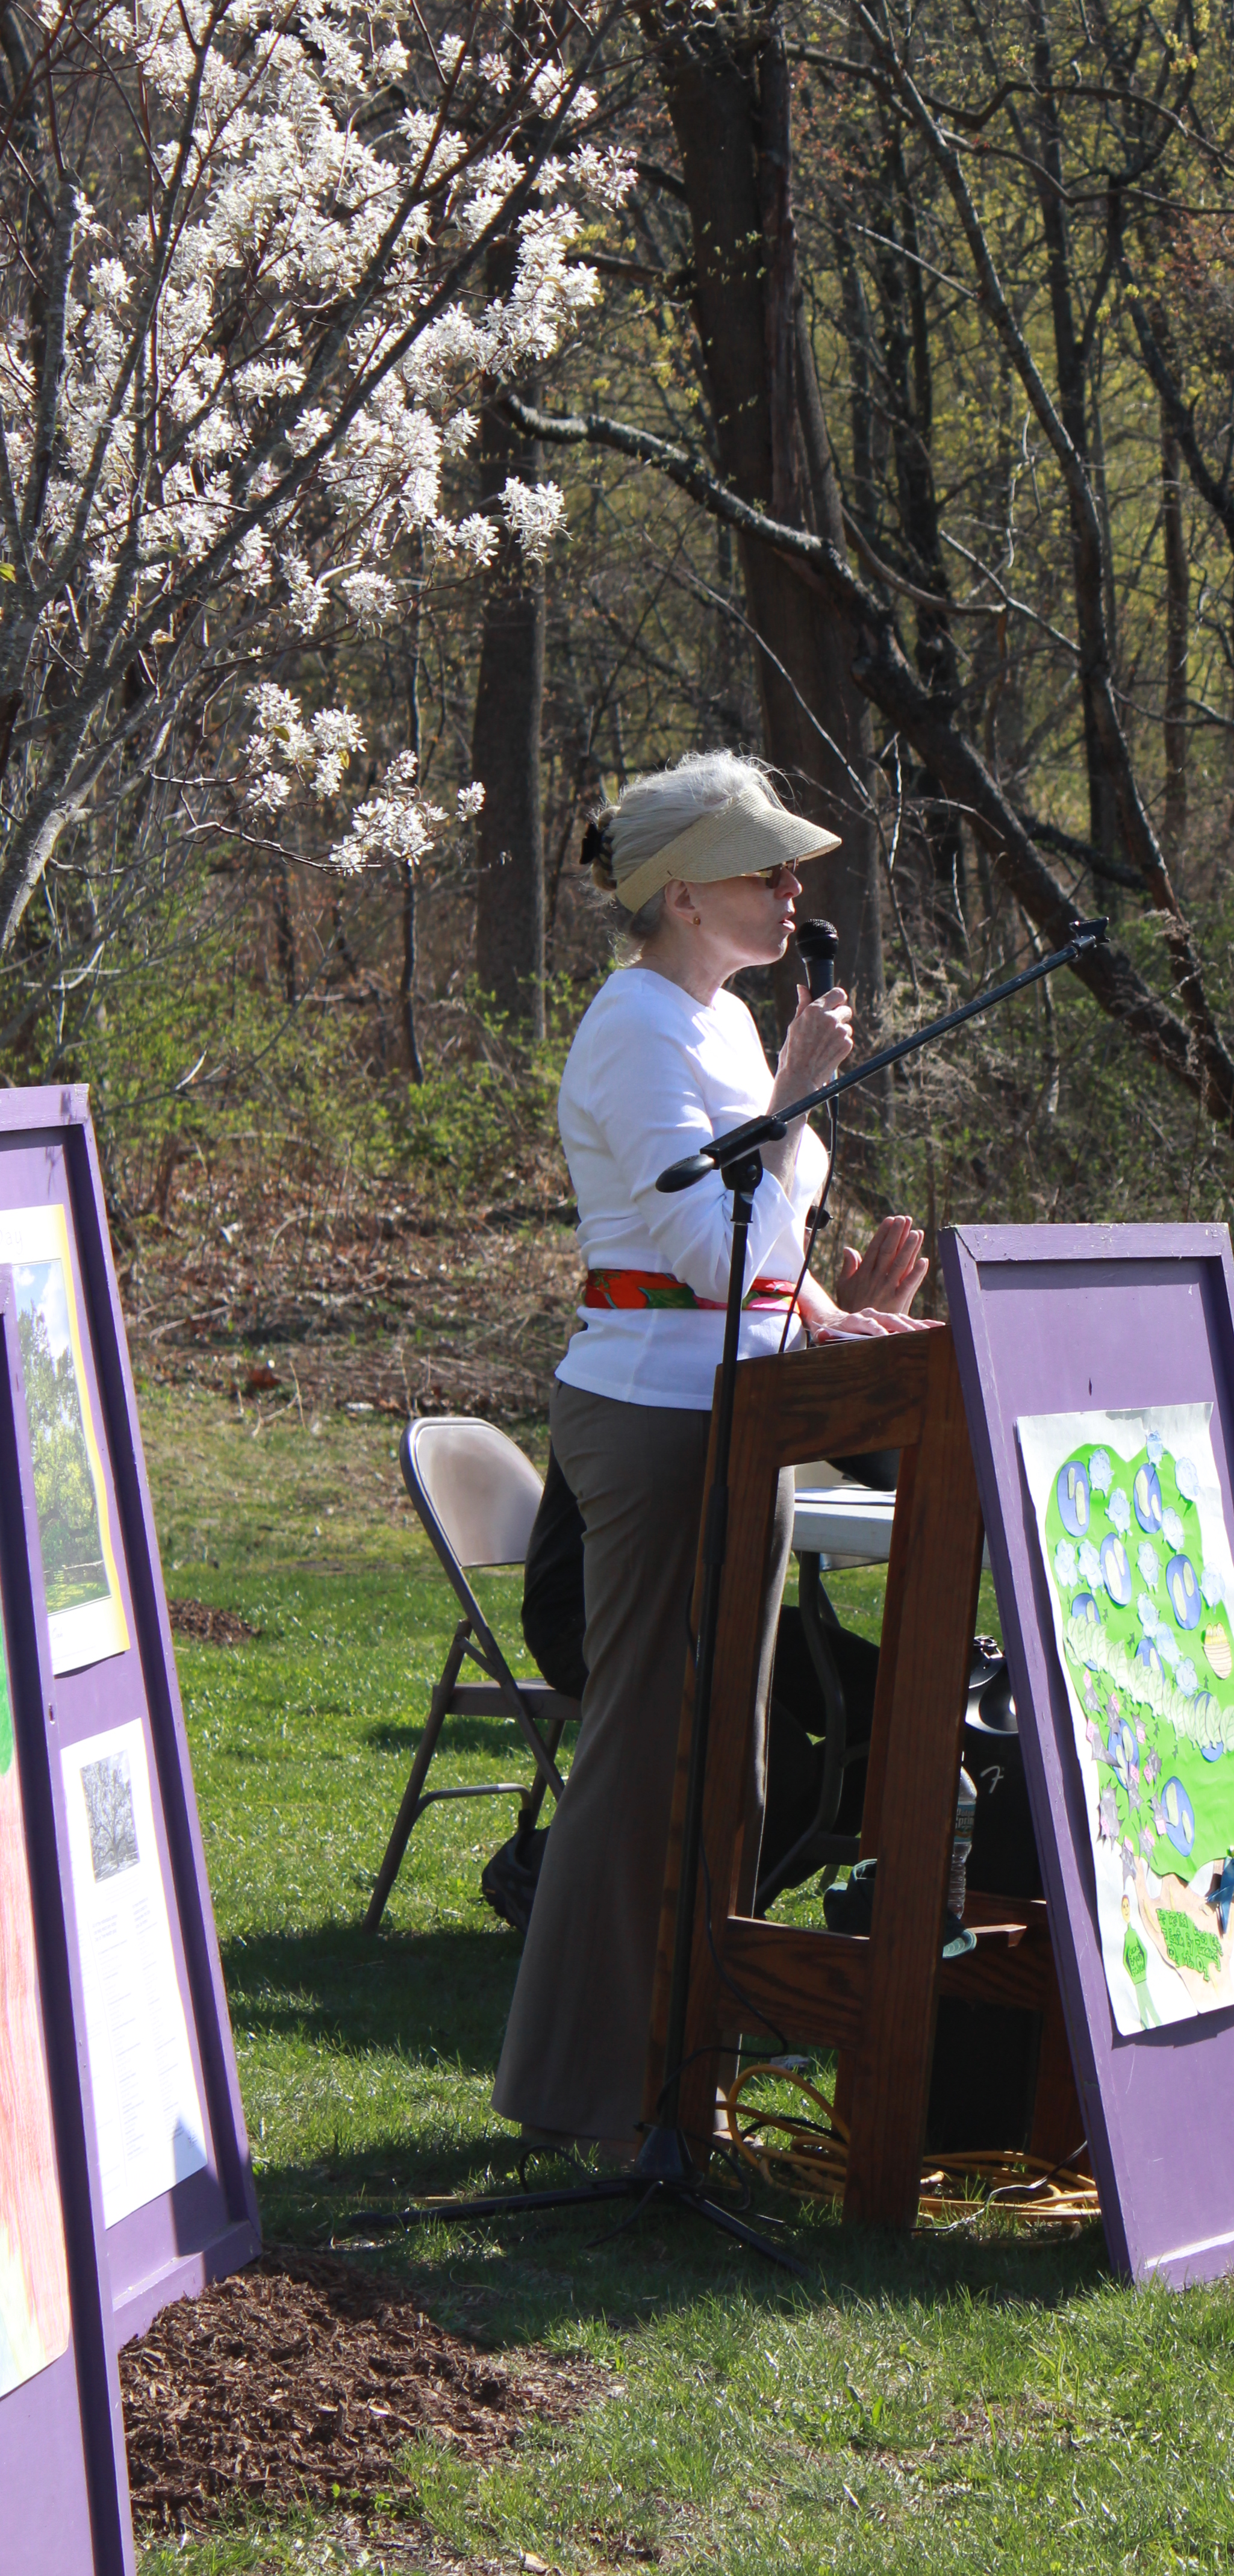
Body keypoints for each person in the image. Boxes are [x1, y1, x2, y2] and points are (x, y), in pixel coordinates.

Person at [492, 750, 926, 2154]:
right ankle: (586, 2087)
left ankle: (685, 2075)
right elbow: (696, 1236)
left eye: (793, 868)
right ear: (685, 895)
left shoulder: (724, 1021)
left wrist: (828, 1321)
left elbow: (761, 1250)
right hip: (652, 1414)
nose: (796, 888)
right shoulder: (632, 1027)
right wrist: (796, 1095)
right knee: (646, 1753)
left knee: (727, 1762)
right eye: (767, 870)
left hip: (741, 1406)